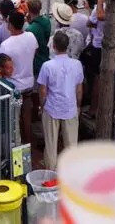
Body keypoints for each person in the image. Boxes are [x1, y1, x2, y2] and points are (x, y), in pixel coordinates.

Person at [36, 31, 84, 171]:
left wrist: (42, 106)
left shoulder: (47, 66)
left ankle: (51, 176)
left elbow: (43, 91)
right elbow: (79, 90)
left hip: (52, 108)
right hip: (70, 108)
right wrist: (78, 105)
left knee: (51, 146)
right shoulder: (77, 64)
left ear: (54, 46)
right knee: (71, 145)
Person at [0, 11, 39, 145]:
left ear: (10, 25)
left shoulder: (6, 45)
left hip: (14, 87)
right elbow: (35, 51)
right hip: (28, 83)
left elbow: (3, 66)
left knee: (14, 120)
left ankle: (17, 146)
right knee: (26, 118)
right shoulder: (31, 36)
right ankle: (29, 144)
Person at [25, 0, 53, 77]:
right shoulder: (46, 20)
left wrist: (30, 24)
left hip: (36, 61)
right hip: (45, 55)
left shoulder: (29, 29)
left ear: (28, 9)